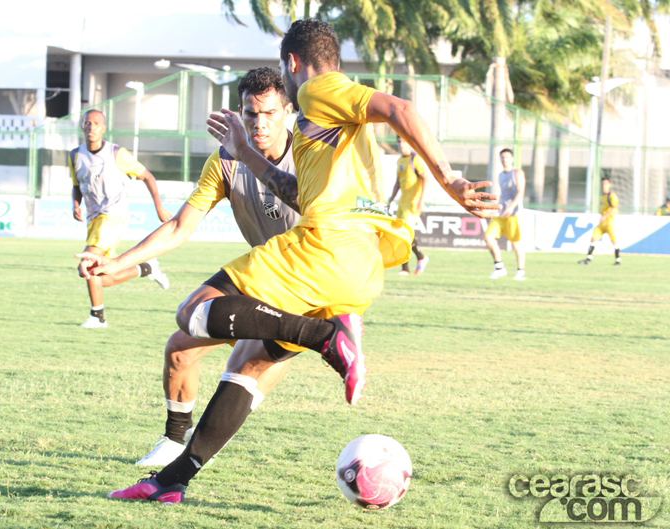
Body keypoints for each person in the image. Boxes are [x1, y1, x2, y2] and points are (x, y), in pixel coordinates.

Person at [93, 19, 499, 503]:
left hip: (323, 251)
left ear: (291, 65)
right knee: (244, 370)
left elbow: (400, 108)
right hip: (357, 273)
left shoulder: (316, 91)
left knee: (192, 313)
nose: (260, 119)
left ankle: (328, 338)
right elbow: (298, 193)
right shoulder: (324, 129)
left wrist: (449, 178)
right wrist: (244, 153)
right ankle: (173, 480)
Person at [78, 67, 301, 466]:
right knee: (180, 347)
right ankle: (174, 441)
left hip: (311, 284)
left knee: (243, 371)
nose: (259, 123)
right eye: (251, 114)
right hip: (263, 274)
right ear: (239, 113)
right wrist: (118, 262)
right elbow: (181, 227)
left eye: (269, 113)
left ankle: (200, 452)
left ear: (288, 111)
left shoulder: (309, 153)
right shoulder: (225, 161)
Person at [71, 109, 173, 328]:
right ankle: (144, 268)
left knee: (87, 264)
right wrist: (75, 203)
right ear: (82, 126)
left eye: (96, 123)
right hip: (94, 219)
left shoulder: (117, 153)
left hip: (113, 216)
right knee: (101, 276)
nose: (91, 127)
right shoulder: (75, 155)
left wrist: (159, 207)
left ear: (103, 128)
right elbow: (76, 185)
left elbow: (147, 175)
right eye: (87, 123)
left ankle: (97, 317)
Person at [387, 136, 429, 276]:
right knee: (401, 234)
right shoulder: (400, 160)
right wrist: (390, 200)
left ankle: (407, 267)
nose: (401, 145)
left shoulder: (415, 159)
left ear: (410, 144)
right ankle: (420, 258)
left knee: (406, 234)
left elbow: (425, 179)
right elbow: (398, 183)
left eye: (404, 142)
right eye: (399, 142)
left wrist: (421, 201)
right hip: (402, 203)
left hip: (412, 203)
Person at [485, 148, 526, 280]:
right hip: (501, 213)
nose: (505, 159)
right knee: (488, 237)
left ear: (512, 158)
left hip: (514, 213)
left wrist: (511, 207)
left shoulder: (517, 173)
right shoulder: (501, 175)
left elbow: (520, 192)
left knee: (515, 243)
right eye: (503, 157)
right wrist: (496, 208)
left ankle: (520, 271)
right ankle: (499, 267)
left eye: (507, 157)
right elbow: (503, 195)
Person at [578, 176, 620, 265]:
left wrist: (605, 215)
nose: (603, 186)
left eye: (605, 184)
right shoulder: (602, 197)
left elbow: (614, 207)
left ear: (610, 185)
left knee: (614, 241)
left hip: (609, 223)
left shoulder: (612, 196)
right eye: (603, 184)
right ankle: (588, 259)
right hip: (602, 223)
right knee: (593, 238)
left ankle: (618, 260)